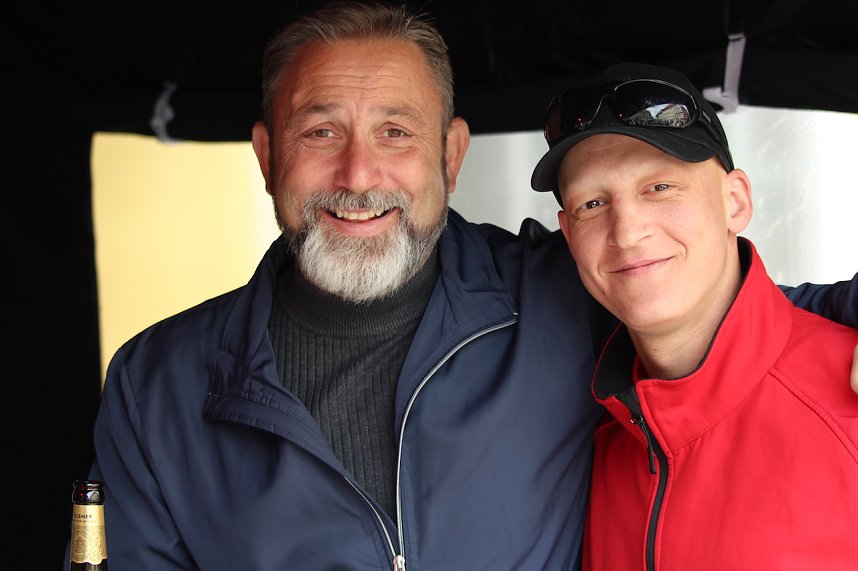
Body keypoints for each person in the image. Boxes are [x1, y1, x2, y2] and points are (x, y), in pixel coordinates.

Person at [76, 3, 858, 570]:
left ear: (451, 157)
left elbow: (730, 311)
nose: (358, 175)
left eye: (396, 132)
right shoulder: (155, 386)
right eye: (320, 133)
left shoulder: (558, 291)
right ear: (266, 154)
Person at [530, 62, 858, 569]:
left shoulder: (847, 404)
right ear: (569, 237)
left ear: (735, 202)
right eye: (592, 204)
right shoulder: (599, 443)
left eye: (659, 187)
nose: (627, 231)